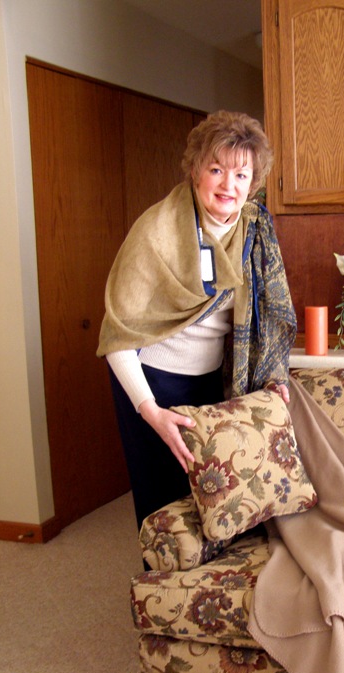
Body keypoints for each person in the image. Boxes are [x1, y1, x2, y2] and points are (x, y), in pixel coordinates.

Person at [97, 110, 297, 529]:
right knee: (162, 502)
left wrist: (271, 377)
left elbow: (268, 316)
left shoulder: (254, 229)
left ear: (253, 182)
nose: (229, 185)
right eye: (216, 169)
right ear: (195, 171)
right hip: (152, 382)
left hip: (213, 381)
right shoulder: (155, 232)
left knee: (215, 499)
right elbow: (117, 337)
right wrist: (150, 411)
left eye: (241, 174)